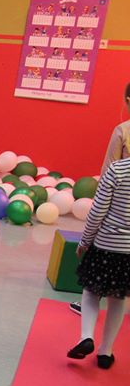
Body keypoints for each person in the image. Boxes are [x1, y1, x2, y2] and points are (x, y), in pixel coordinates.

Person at [71, 81, 130, 315]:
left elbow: (108, 170)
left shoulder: (123, 130)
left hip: (120, 205)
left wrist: (88, 236)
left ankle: (90, 300)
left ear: (127, 101)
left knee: (103, 260)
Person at [67, 157, 130, 369]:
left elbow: (97, 211)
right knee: (118, 298)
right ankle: (106, 351)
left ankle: (86, 337)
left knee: (91, 292)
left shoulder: (117, 169)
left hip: (105, 246)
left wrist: (85, 240)